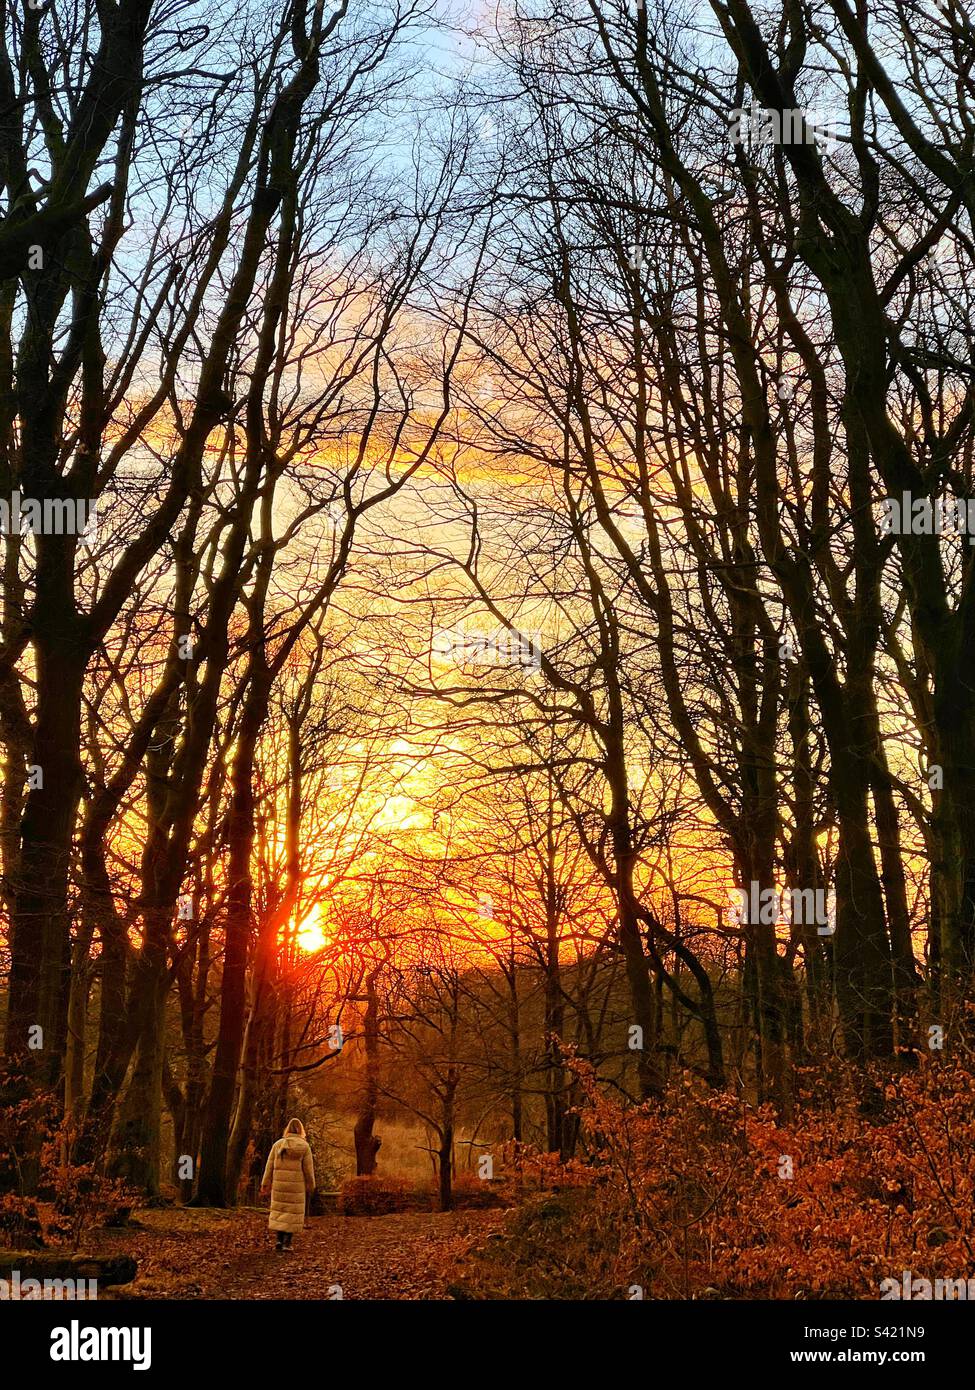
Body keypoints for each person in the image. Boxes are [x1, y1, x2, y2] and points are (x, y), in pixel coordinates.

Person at [260, 1118, 316, 1253]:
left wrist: (265, 1183)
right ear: (301, 1130)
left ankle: (278, 1240)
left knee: (280, 1211)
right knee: (292, 1212)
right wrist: (311, 1184)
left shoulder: (278, 1145)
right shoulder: (304, 1146)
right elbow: (308, 1169)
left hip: (279, 1184)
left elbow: (269, 1166)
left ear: (287, 1129)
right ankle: (287, 1242)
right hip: (296, 1186)